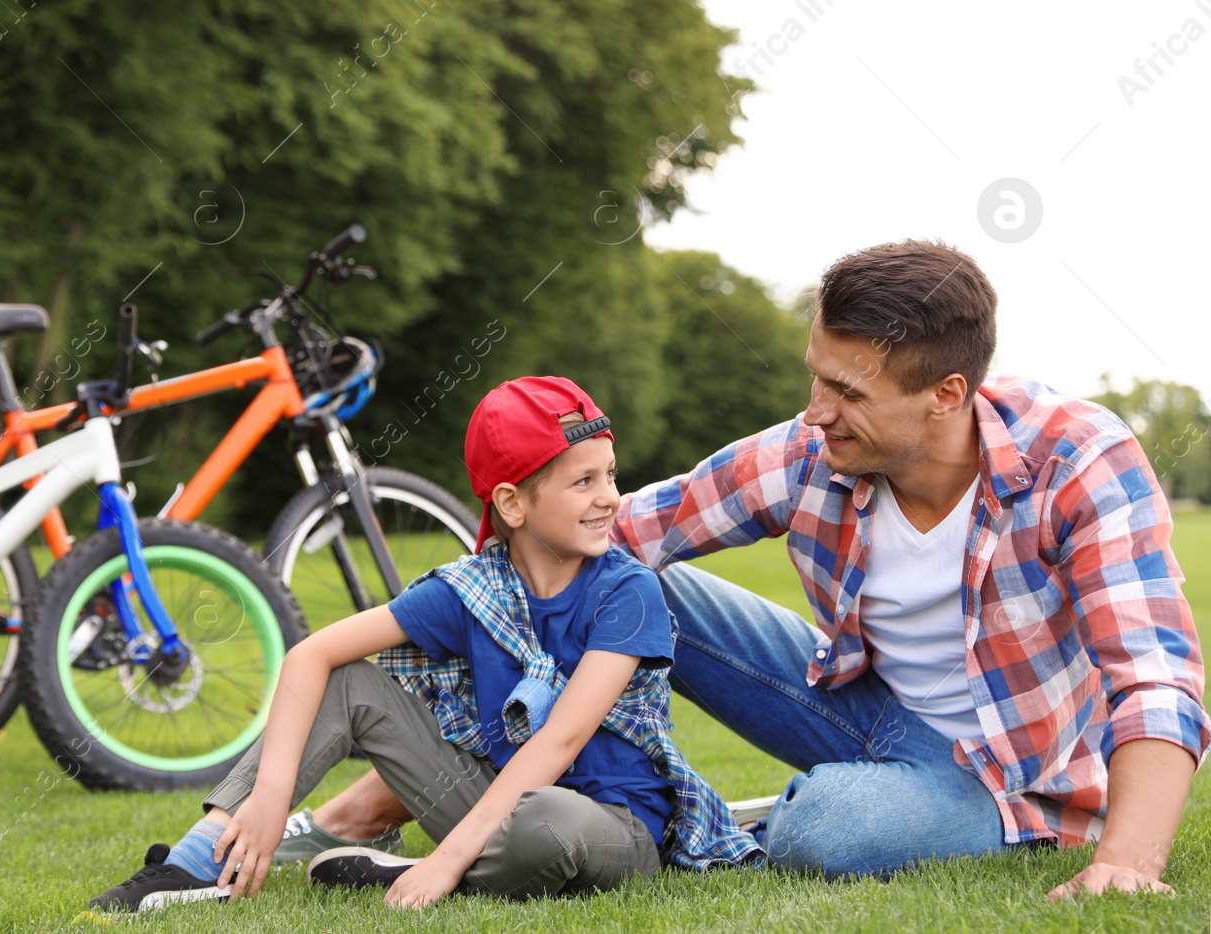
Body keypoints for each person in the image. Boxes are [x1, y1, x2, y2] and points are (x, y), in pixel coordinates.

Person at [296, 240, 1209, 898]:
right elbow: (607, 537)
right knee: (624, 574)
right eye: (817, 377)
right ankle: (405, 811)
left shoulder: (1076, 460)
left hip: (1003, 777)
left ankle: (696, 823)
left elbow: (1157, 675)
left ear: (946, 397)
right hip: (857, 713)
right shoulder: (813, 451)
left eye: (847, 393)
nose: (816, 413)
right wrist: (417, 761)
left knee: (828, 828)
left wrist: (1126, 863)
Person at [84, 376, 760, 913]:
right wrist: (269, 794)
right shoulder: (471, 587)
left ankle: (420, 870)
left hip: (608, 826)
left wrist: (445, 856)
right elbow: (311, 656)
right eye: (583, 481)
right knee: (348, 680)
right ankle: (199, 860)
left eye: (609, 475)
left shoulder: (626, 590)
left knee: (547, 823)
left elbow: (558, 745)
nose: (609, 497)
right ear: (513, 505)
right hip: (492, 806)